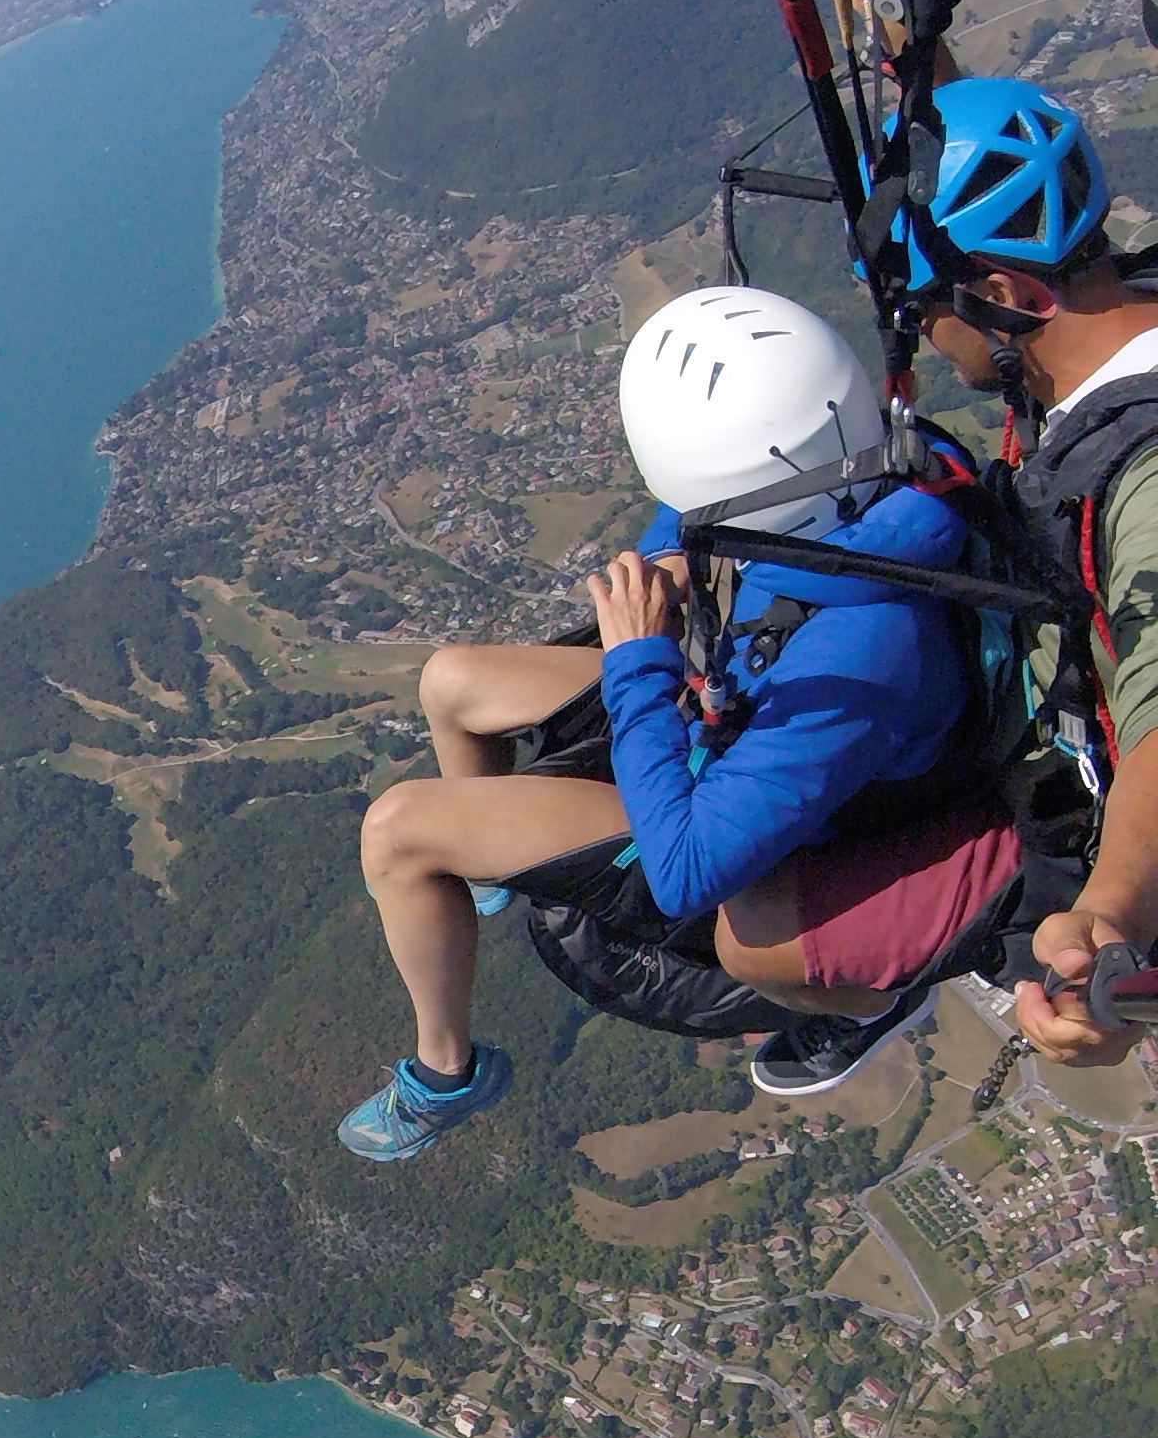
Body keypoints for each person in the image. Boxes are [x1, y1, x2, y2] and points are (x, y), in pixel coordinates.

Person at [339, 284, 979, 1158]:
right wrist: (669, 564)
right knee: (451, 683)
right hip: (728, 698)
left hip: (740, 806)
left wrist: (640, 661)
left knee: (396, 834)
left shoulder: (864, 647)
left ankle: (446, 1071)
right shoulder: (855, 467)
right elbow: (691, 515)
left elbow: (685, 872)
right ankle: (483, 875)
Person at [739, 75, 1158, 1076]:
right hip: (1026, 674)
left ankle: (891, 990)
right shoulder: (1108, 313)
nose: (922, 333)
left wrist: (1109, 911)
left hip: (1072, 798)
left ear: (1005, 299)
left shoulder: (1146, 481)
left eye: (925, 309)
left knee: (753, 932)